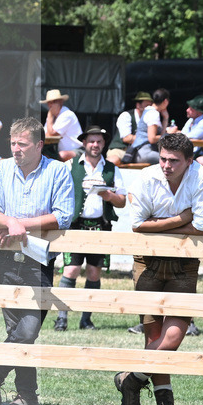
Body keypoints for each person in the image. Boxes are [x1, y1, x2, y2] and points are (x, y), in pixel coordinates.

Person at [115, 133, 203, 405]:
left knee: (172, 336)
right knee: (154, 334)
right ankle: (165, 403)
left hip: (184, 263)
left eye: (174, 161)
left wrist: (158, 225)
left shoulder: (201, 178)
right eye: (162, 158)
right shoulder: (146, 178)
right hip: (147, 260)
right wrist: (182, 220)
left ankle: (130, 380)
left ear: (189, 161)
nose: (166, 165)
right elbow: (137, 224)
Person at [0, 117, 74, 405]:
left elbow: (63, 216)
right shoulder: (1, 169)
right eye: (12, 143)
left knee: (28, 329)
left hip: (40, 260)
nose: (16, 149)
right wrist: (9, 222)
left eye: (22, 144)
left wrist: (20, 225)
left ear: (39, 145)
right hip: (6, 259)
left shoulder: (58, 171)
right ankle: (26, 396)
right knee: (16, 328)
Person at [53, 125, 127, 332]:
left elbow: (121, 202)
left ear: (104, 145)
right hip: (76, 226)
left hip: (100, 227)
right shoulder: (70, 165)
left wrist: (108, 196)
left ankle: (86, 319)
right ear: (84, 143)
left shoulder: (112, 169)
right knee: (72, 269)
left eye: (99, 142)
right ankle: (61, 318)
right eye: (91, 141)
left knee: (94, 273)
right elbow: (58, 193)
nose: (95, 145)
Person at [170, 95, 203, 168]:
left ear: (199, 112)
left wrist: (173, 132)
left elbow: (190, 136)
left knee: (198, 161)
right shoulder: (191, 120)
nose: (187, 110)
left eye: (191, 109)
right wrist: (175, 132)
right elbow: (183, 133)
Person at [106, 91, 153, 165]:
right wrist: (150, 138)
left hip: (139, 151)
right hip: (121, 149)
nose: (150, 108)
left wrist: (166, 118)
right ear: (138, 105)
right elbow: (127, 138)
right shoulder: (126, 116)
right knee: (113, 160)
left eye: (151, 105)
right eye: (147, 105)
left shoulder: (151, 119)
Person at [126, 88, 170, 164]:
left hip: (141, 152)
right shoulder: (153, 114)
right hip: (144, 152)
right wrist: (169, 135)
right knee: (172, 159)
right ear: (165, 101)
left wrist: (165, 118)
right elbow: (152, 139)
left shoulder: (148, 110)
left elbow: (160, 135)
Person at [42, 89, 82, 161]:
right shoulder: (52, 117)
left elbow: (51, 133)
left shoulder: (67, 114)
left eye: (54, 102)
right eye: (49, 103)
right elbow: (44, 134)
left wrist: (49, 116)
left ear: (61, 102)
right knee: (43, 157)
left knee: (62, 155)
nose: (51, 105)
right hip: (58, 151)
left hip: (78, 150)